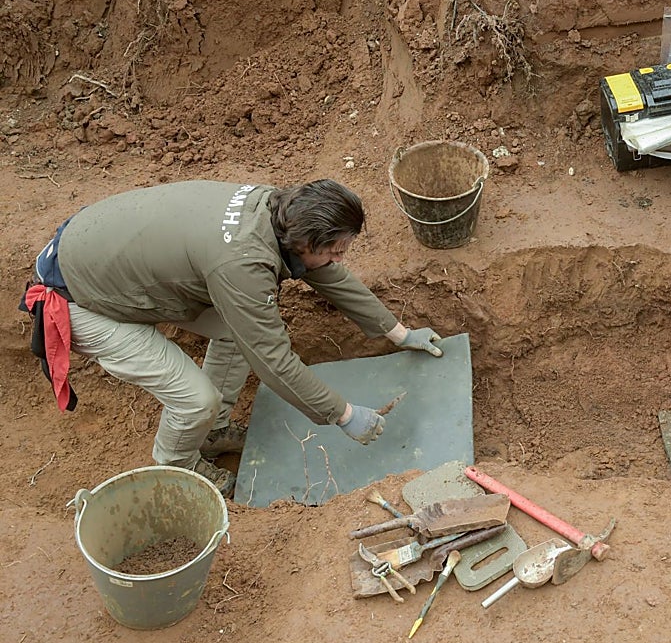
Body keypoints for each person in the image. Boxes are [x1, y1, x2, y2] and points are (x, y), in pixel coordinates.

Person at [19, 179, 444, 497]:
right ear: (304, 240)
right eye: (334, 249)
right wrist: (345, 414)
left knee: (238, 332)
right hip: (80, 297)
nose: (338, 258)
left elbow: (327, 273)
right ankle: (179, 467)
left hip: (104, 253)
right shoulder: (242, 263)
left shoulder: (276, 209)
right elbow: (274, 363)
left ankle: (213, 430)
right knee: (194, 399)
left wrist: (399, 332)